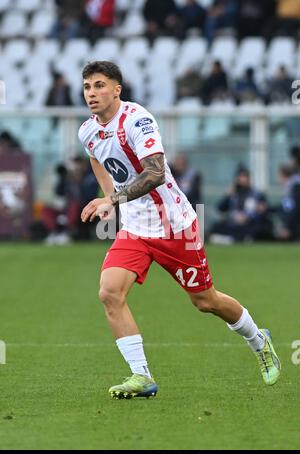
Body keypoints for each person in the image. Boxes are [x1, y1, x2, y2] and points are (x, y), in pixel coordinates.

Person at [78, 61, 281, 399]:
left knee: (205, 301)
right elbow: (96, 157)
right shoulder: (87, 130)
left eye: (100, 85)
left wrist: (113, 196)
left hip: (174, 226)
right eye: (87, 87)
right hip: (136, 229)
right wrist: (109, 199)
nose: (92, 93)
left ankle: (258, 340)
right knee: (109, 293)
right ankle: (141, 376)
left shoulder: (137, 120)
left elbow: (155, 173)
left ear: (117, 89)